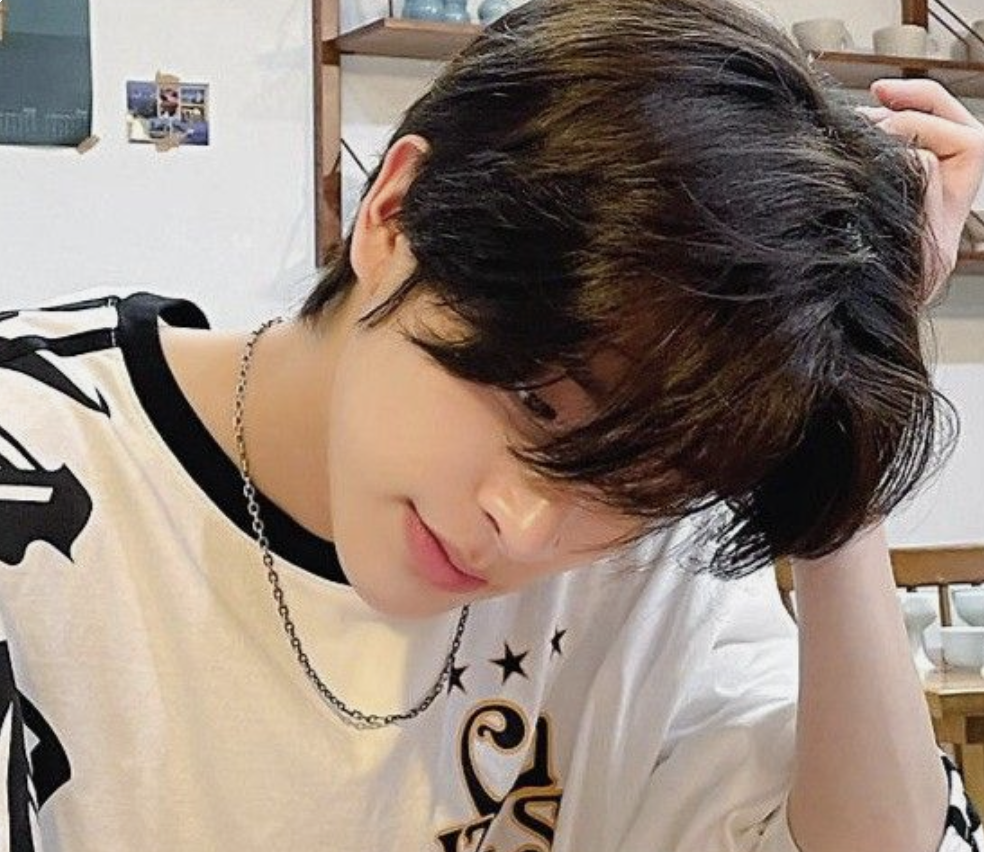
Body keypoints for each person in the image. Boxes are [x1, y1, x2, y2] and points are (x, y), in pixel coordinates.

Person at [1, 0, 983, 849]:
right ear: (395, 212)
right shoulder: (39, 449)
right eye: (535, 404)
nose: (526, 526)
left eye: (629, 485)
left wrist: (847, 403)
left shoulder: (652, 560)